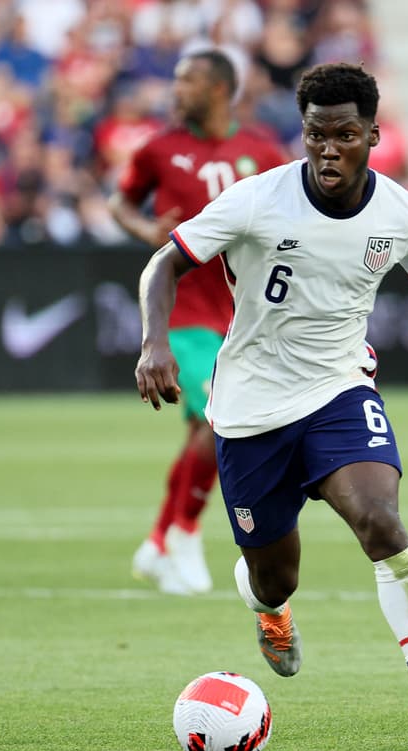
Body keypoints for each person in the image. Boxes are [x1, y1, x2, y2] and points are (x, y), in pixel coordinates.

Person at [134, 62, 408, 751]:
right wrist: (153, 343)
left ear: (374, 134)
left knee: (380, 521)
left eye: (345, 135)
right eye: (316, 135)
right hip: (250, 409)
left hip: (339, 392)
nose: (328, 149)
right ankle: (269, 608)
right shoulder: (257, 199)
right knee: (273, 573)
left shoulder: (405, 214)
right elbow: (164, 264)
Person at [110, 49, 287, 596]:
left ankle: (160, 540)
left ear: (218, 90)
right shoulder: (160, 149)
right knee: (216, 419)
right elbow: (121, 202)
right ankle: (184, 534)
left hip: (242, 312)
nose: (174, 89)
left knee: (204, 428)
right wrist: (145, 233)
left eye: (186, 80)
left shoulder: (261, 150)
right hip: (183, 310)